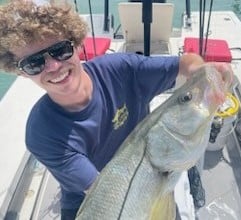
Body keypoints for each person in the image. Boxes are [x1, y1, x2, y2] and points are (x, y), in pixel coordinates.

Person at [0, 1, 233, 219]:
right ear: (20, 72)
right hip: (90, 199)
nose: (53, 66)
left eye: (60, 50)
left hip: (146, 178)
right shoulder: (41, 133)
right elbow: (105, 193)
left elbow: (186, 62)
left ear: (77, 44)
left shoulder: (121, 69)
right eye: (34, 63)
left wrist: (204, 73)